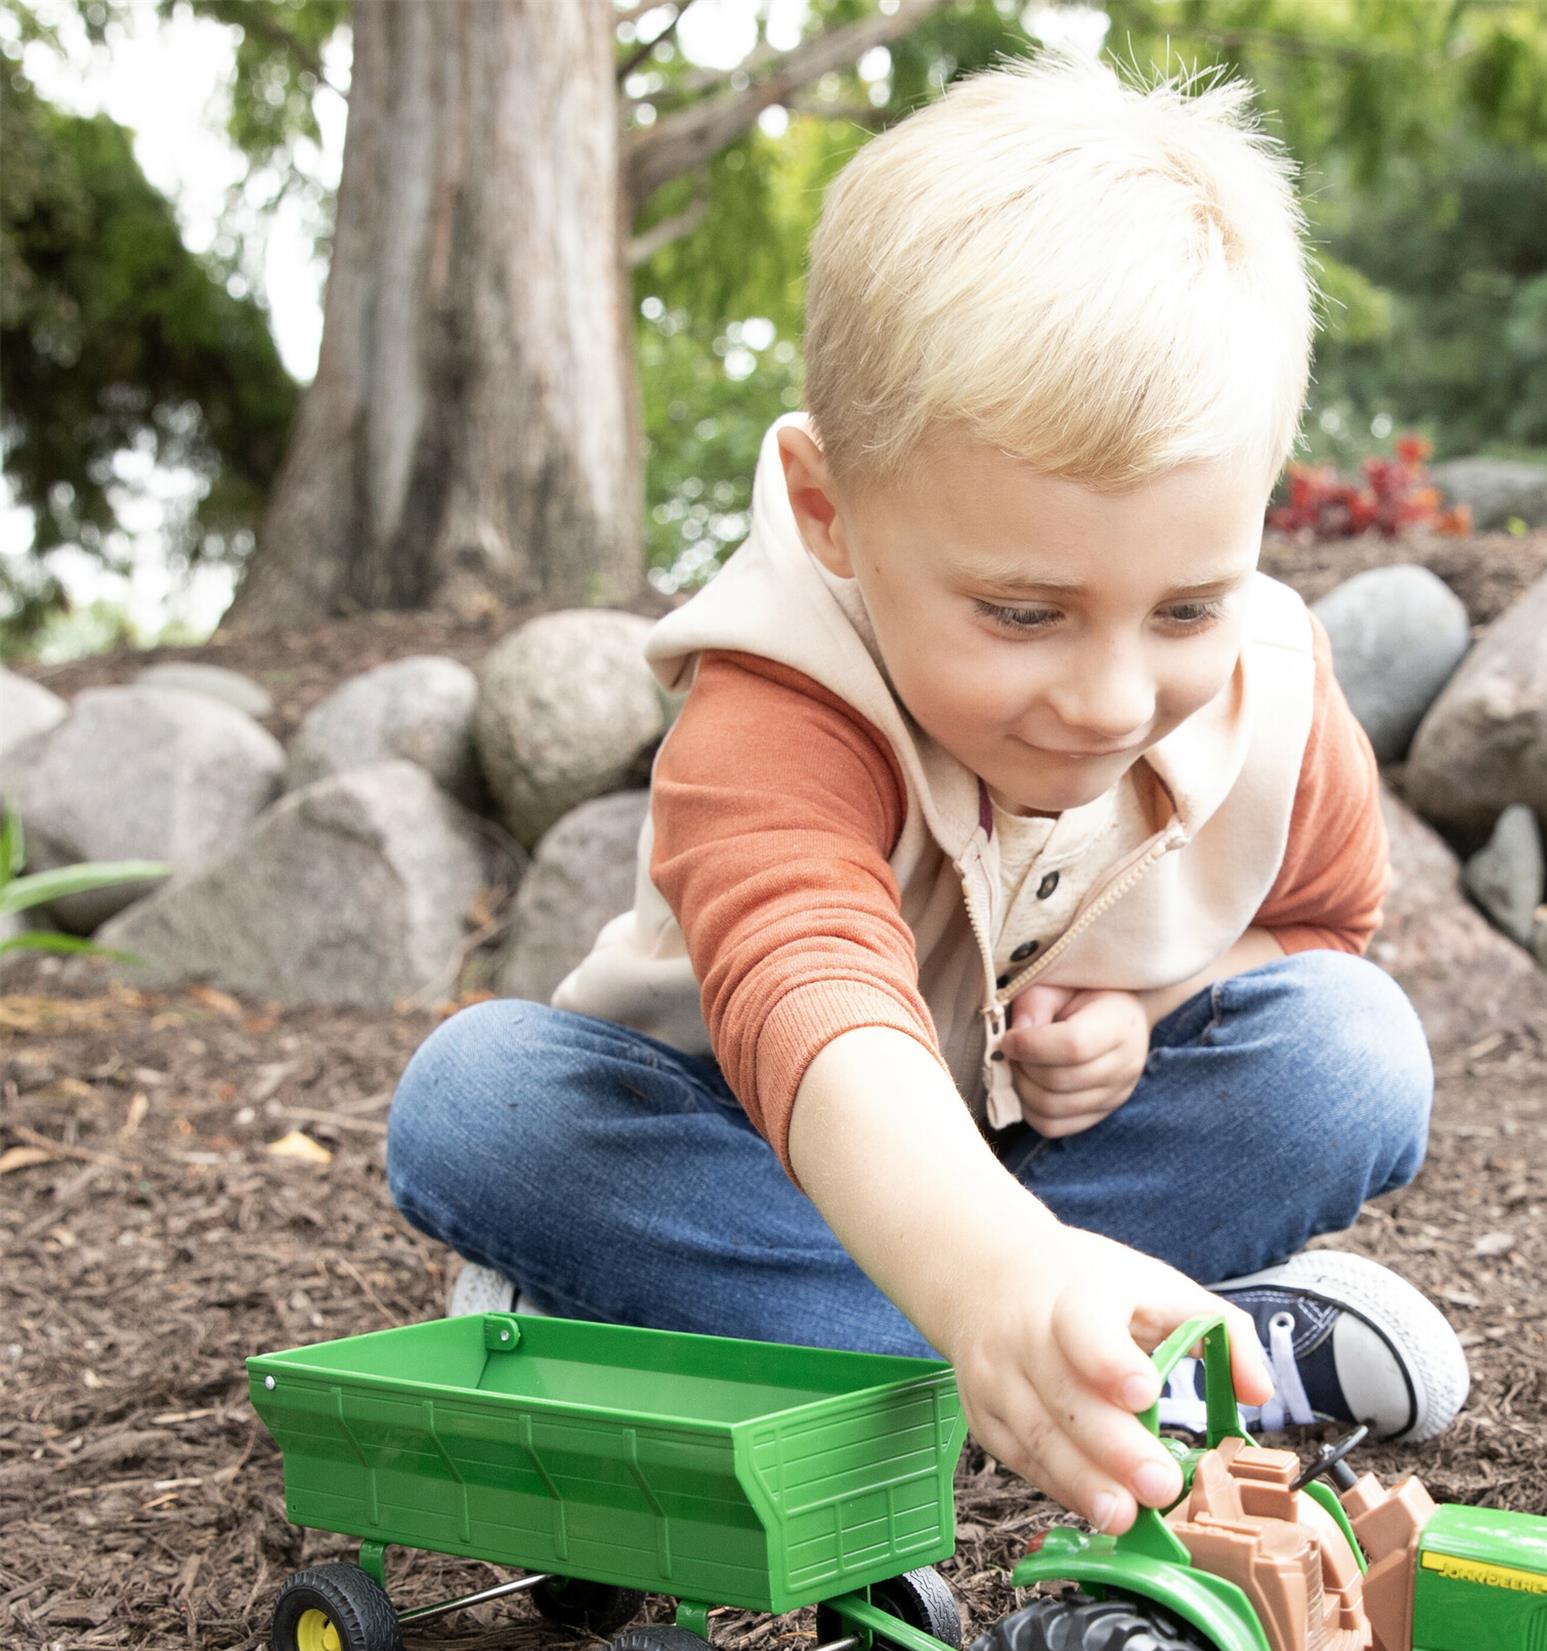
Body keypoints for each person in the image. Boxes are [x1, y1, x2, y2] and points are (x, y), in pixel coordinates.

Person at [384, 46, 1466, 1539]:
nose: (1107, 697)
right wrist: (994, 1282)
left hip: (1041, 1174)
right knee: (484, 1103)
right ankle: (1125, 1355)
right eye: (1022, 614)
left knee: (1352, 1051)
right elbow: (810, 994)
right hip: (757, 1151)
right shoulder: (779, 696)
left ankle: (856, 1363)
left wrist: (1151, 1015)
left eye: (1183, 609)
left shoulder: (1275, 686)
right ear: (833, 514)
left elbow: (1317, 934)